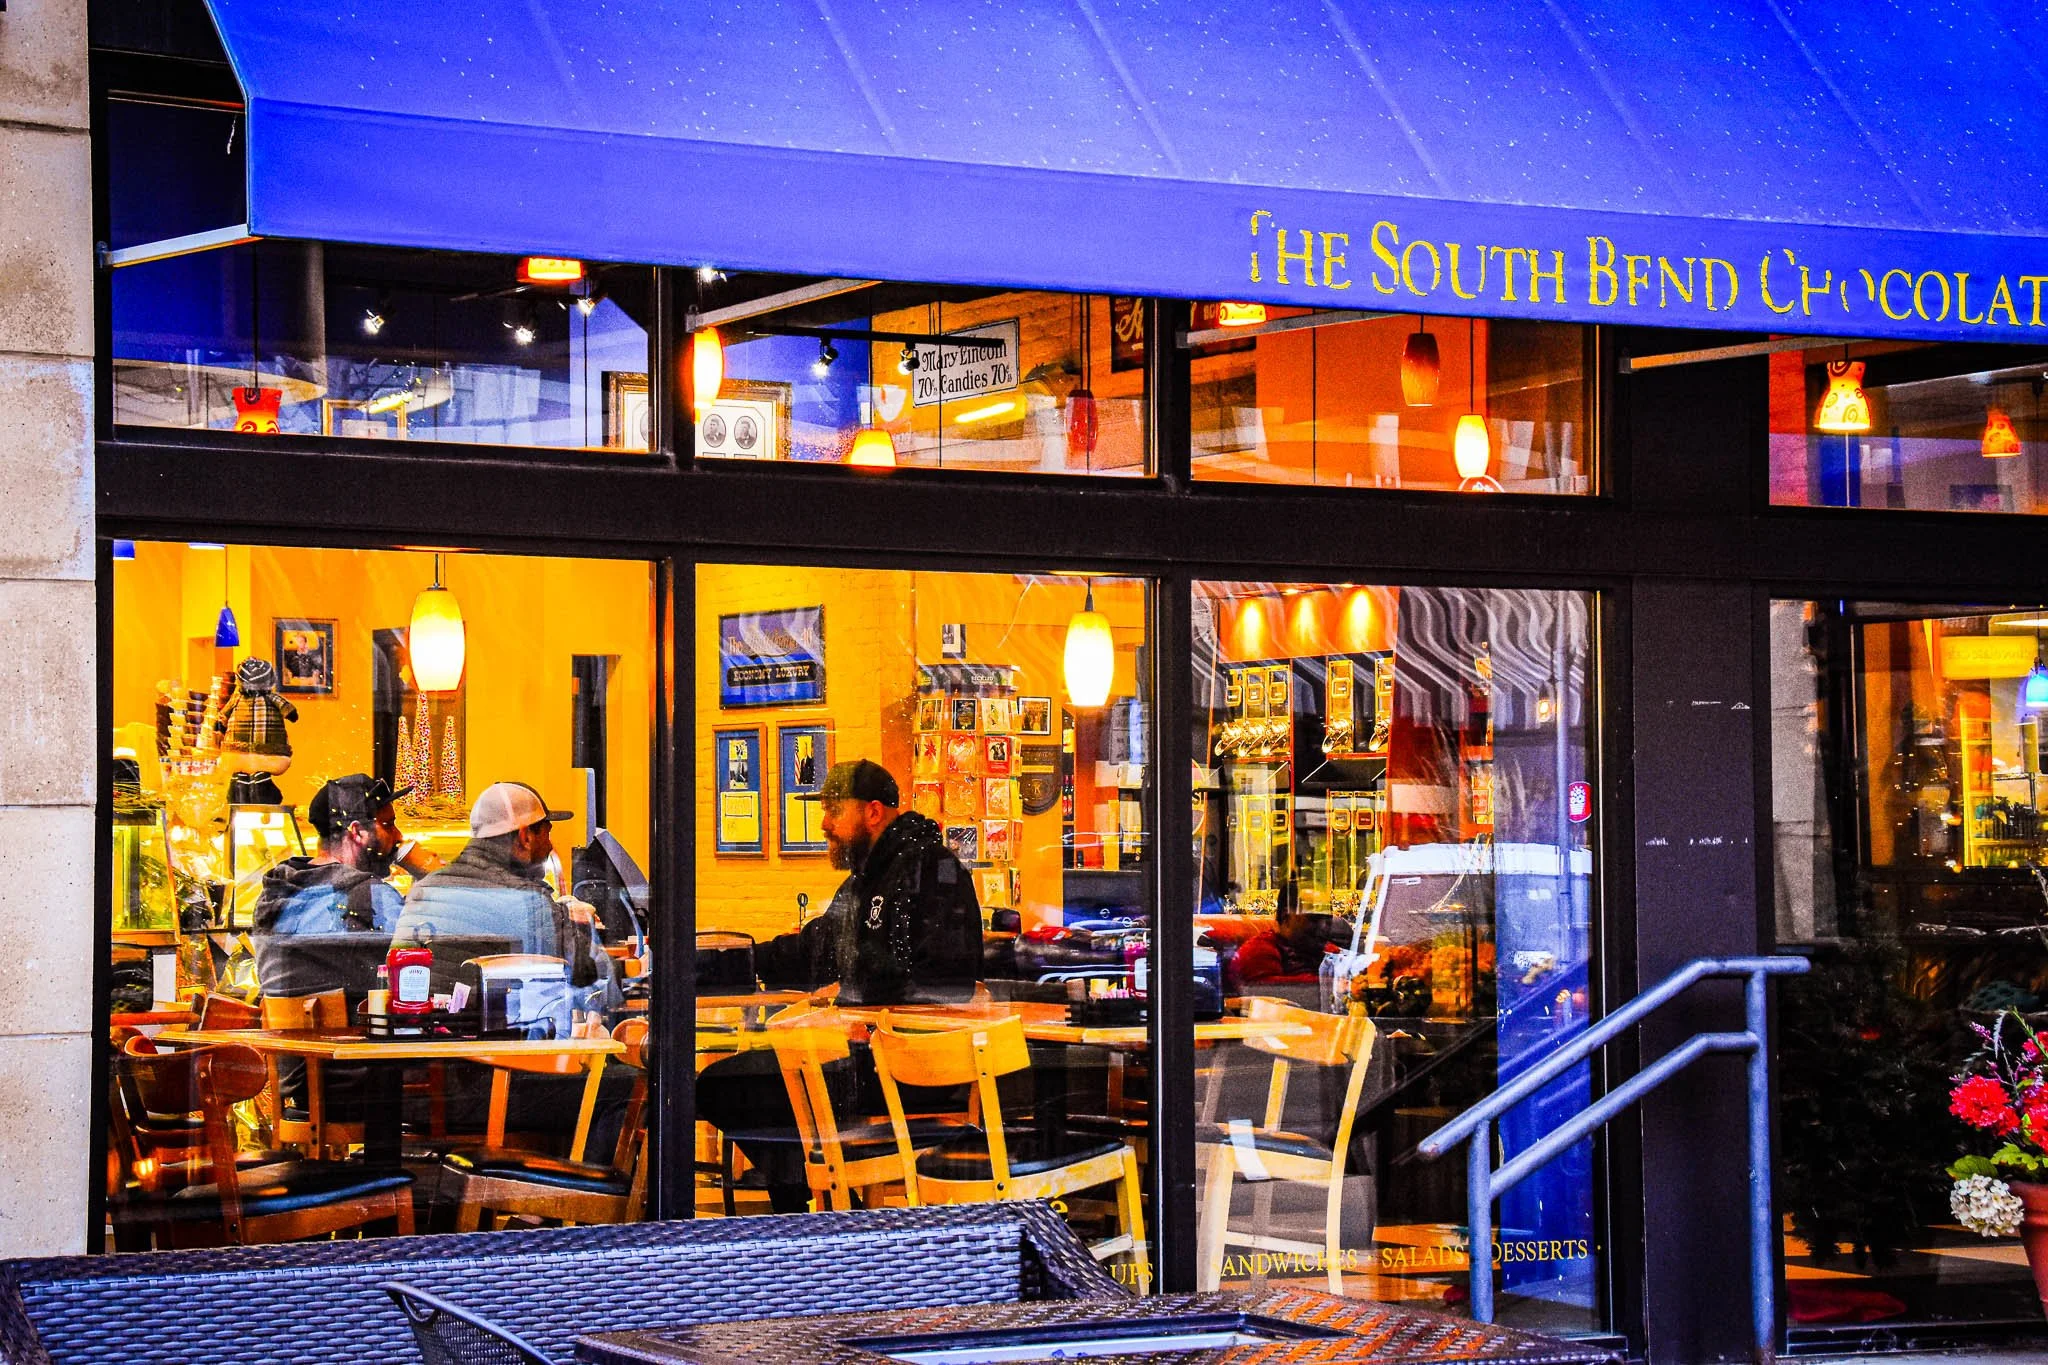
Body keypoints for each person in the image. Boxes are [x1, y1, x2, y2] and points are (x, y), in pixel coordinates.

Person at [698, 759, 983, 1212]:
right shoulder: (870, 876)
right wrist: (725, 961)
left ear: (872, 812)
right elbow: (818, 949)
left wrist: (865, 1013)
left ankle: (813, 1212)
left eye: (834, 810)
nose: (825, 824)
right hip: (866, 1057)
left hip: (910, 1068)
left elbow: (946, 982)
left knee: (726, 1086)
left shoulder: (931, 869)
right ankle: (820, 1207)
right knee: (729, 1083)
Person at [393, 781, 619, 1014]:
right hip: (499, 1043)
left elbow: (392, 975)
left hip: (426, 1037)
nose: (550, 845)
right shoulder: (528, 902)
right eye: (546, 832)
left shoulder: (424, 890)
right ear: (525, 837)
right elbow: (598, 974)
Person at [253, 774, 425, 999]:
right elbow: (420, 968)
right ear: (357, 832)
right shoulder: (374, 898)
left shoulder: (276, 891)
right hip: (349, 1031)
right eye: (388, 825)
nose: (398, 835)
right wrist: (426, 878)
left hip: (285, 1029)